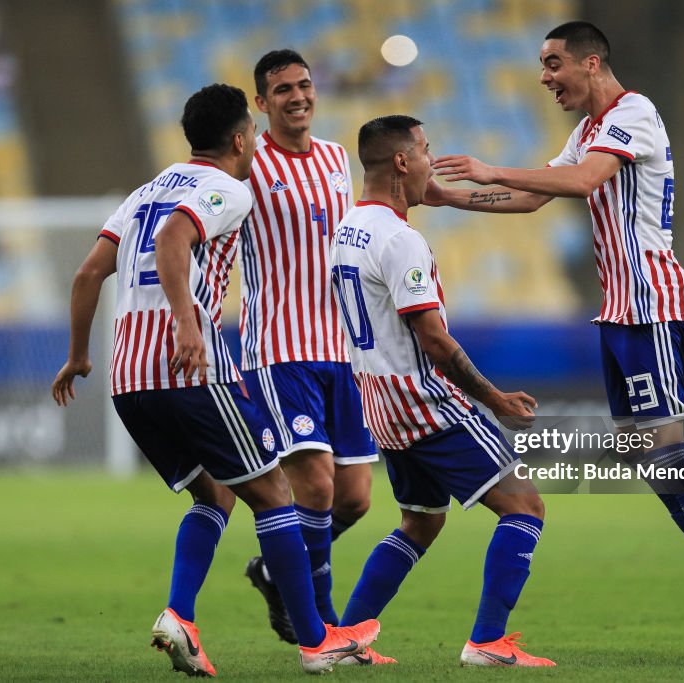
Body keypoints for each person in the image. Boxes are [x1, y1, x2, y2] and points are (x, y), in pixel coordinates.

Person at [429, 21, 684, 658]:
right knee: (648, 454)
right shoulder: (588, 131)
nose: (545, 76)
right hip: (620, 313)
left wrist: (484, 167)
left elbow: (582, 183)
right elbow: (531, 199)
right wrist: (450, 197)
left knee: (664, 452)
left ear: (591, 63)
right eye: (541, 64)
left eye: (554, 63)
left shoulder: (633, 112)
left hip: (651, 304)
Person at [50, 83, 379, 676]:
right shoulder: (227, 187)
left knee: (216, 493)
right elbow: (175, 236)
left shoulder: (146, 190)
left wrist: (78, 356)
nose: (256, 141)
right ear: (238, 137)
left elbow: (87, 273)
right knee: (275, 495)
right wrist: (186, 326)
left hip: (128, 376)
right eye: (252, 131)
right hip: (186, 369)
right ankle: (314, 642)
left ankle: (180, 616)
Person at [329, 114, 555, 668]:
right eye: (426, 149)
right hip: (423, 399)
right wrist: (493, 397)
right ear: (403, 161)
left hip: (378, 400)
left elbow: (416, 193)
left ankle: (348, 638)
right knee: (525, 506)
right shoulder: (401, 240)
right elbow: (432, 336)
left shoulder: (347, 228)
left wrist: (447, 196)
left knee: (422, 521)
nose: (434, 157)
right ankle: (487, 642)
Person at [239, 49, 378, 644]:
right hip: (276, 347)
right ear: (261, 102)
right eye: (283, 89)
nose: (298, 96)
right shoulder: (246, 164)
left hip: (341, 350)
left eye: (304, 85)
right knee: (315, 486)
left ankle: (274, 569)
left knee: (354, 499)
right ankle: (320, 626)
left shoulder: (333, 159)